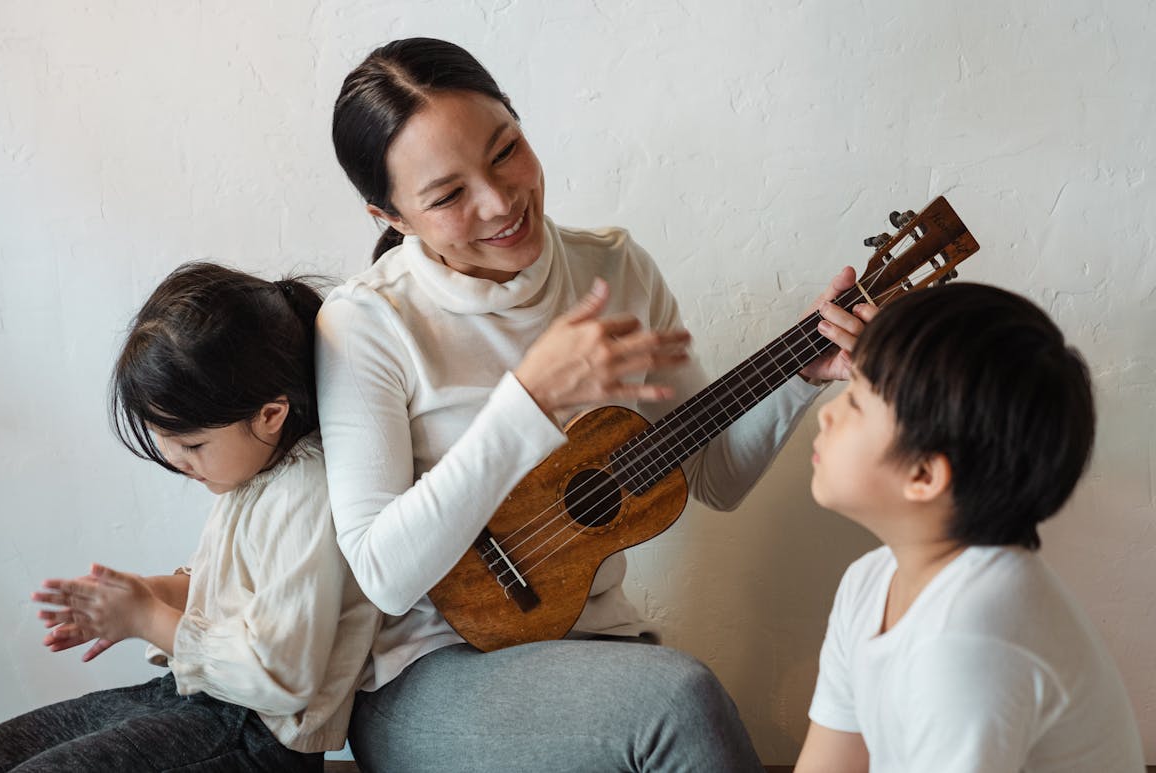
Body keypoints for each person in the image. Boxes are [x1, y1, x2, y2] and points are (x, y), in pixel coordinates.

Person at [317, 37, 874, 772]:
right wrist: (530, 400)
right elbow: (383, 573)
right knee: (677, 701)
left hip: (594, 647)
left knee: (674, 698)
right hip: (428, 670)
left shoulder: (612, 267)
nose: (499, 200)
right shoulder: (366, 324)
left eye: (506, 150)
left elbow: (715, 477)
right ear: (390, 216)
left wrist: (799, 376)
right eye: (448, 195)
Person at [0, 262, 381, 772]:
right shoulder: (251, 473)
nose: (177, 462)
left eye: (192, 444)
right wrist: (141, 597)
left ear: (270, 414)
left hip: (259, 736)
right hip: (194, 695)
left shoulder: (307, 493)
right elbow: (227, 594)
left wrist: (147, 619)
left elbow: (281, 677)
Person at [795, 282, 1144, 773]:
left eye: (855, 402)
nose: (825, 416)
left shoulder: (971, 638)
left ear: (924, 474)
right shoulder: (868, 585)